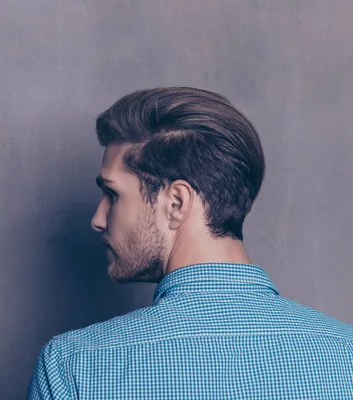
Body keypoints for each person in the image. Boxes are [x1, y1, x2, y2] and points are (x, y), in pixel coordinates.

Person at [26, 87, 353, 399]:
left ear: (176, 203)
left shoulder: (73, 366)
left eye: (113, 194)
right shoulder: (345, 353)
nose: (98, 219)